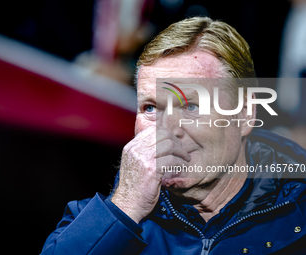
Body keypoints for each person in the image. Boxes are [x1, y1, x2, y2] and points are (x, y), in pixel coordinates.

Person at [40, 17, 306, 255]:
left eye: (191, 106)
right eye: (150, 108)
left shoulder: (300, 215)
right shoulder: (90, 221)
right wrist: (125, 208)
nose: (167, 128)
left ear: (246, 115)